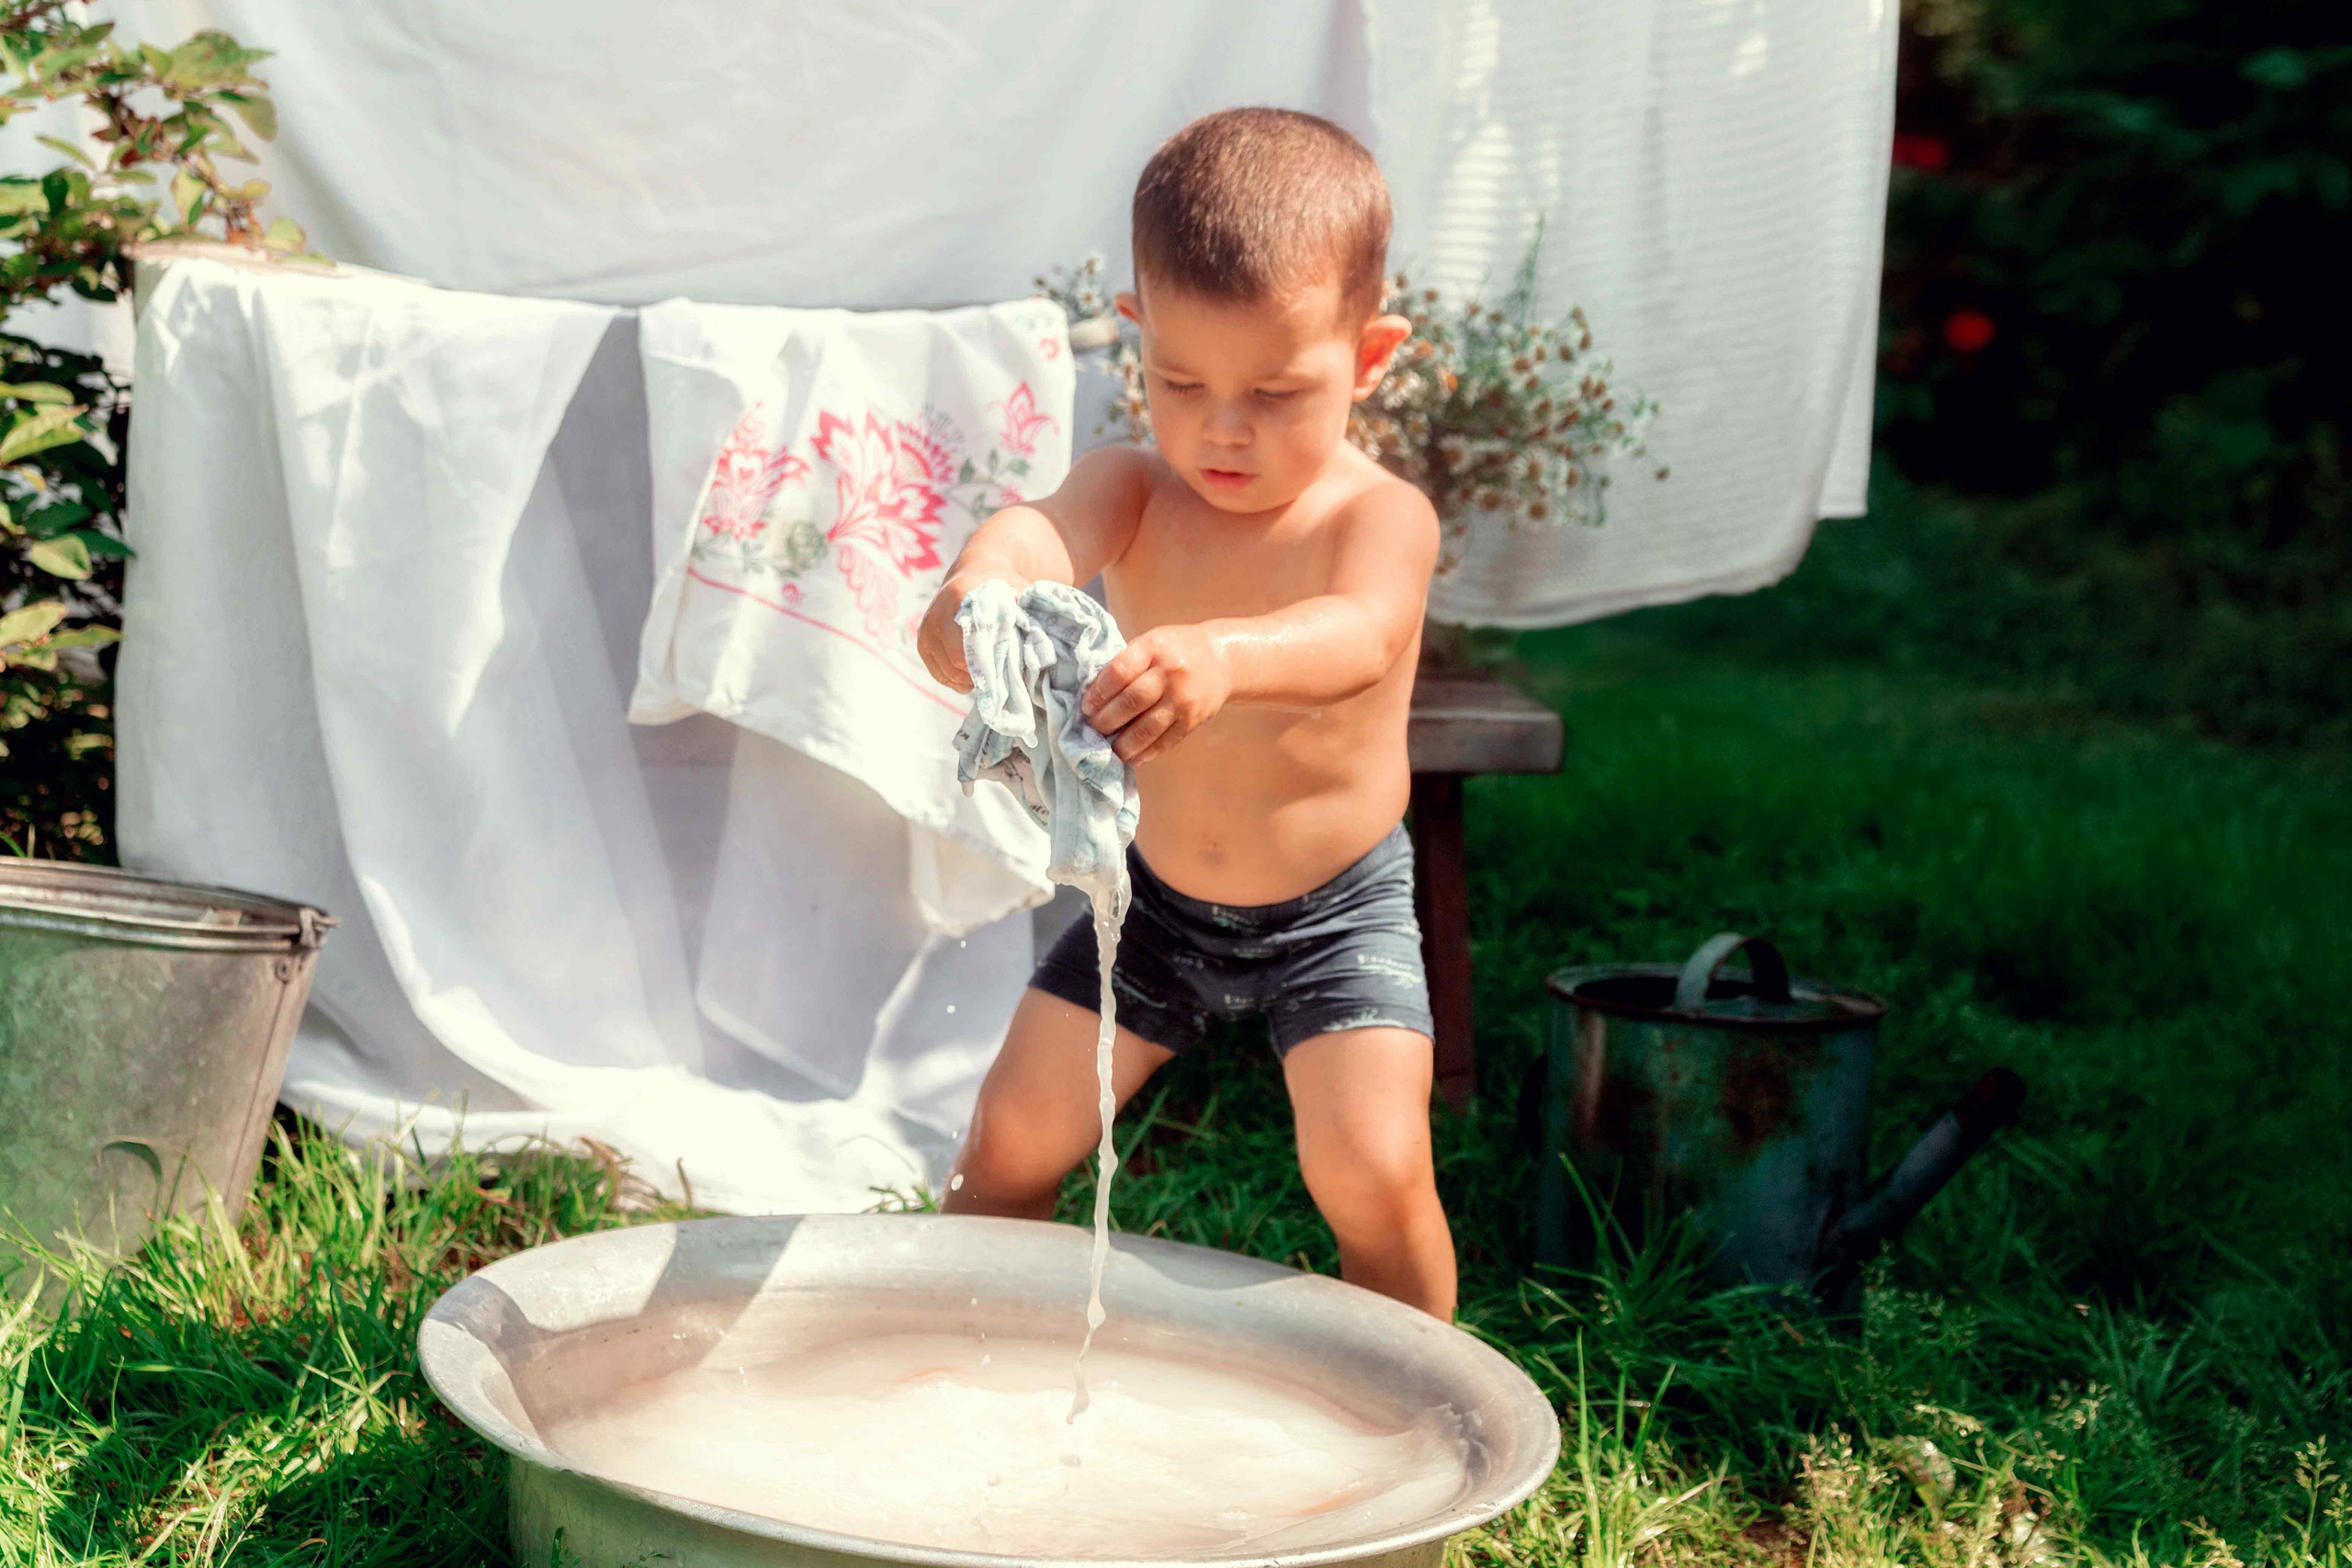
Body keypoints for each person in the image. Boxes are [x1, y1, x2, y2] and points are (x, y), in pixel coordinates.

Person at [915, 107, 1453, 1318]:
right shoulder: (1135, 489)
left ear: (1370, 359)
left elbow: (1358, 638)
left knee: (1371, 1172)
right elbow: (1039, 531)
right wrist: (979, 588)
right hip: (1152, 898)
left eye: (1276, 390)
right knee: (1008, 1141)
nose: (1222, 427)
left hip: (1334, 904)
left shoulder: (1378, 518)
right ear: (1135, 339)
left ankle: (1431, 1412)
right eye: (1181, 381)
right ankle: (956, 1346)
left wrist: (1226, 653)